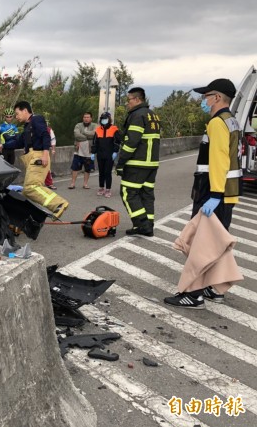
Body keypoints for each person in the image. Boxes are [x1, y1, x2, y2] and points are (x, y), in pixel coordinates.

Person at [164, 78, 242, 309]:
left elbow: (219, 160)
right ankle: (214, 287)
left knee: (201, 244)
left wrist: (215, 194)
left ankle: (193, 293)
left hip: (212, 192)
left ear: (217, 98)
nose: (203, 101)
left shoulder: (218, 123)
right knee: (215, 242)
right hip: (227, 193)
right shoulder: (232, 121)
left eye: (206, 96)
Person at [0, 101, 68, 219]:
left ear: (25, 110)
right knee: (27, 191)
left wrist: (45, 154)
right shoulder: (28, 126)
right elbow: (18, 142)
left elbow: (45, 135)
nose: (16, 117)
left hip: (38, 156)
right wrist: (3, 146)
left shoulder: (36, 119)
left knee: (31, 187)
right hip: (32, 158)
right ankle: (30, 217)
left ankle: (58, 203)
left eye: (17, 114)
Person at [115, 87, 161, 236]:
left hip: (137, 163)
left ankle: (142, 225)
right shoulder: (152, 115)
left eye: (128, 100)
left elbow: (131, 142)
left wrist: (120, 162)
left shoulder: (137, 115)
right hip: (152, 163)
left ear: (136, 99)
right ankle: (149, 224)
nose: (127, 103)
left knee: (128, 193)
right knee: (146, 194)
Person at [91, 112, 121, 198]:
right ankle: (101, 188)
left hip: (110, 154)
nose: (104, 120)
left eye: (105, 119)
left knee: (107, 172)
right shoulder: (98, 130)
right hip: (100, 154)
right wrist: (93, 152)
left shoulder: (114, 129)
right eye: (102, 119)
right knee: (101, 172)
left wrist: (115, 151)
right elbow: (95, 142)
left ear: (109, 119)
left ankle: (108, 189)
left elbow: (117, 141)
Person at [69, 112, 96, 189]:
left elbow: (94, 134)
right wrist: (87, 136)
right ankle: (72, 183)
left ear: (91, 118)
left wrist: (83, 133)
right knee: (75, 167)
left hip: (89, 151)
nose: (86, 119)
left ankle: (85, 184)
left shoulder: (95, 125)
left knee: (87, 169)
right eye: (85, 117)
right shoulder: (78, 125)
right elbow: (76, 135)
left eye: (88, 117)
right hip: (78, 150)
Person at [45, 115, 57, 189]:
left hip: (45, 151)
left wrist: (53, 149)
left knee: (47, 167)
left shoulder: (49, 130)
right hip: (34, 151)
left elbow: (53, 140)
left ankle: (49, 183)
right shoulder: (33, 129)